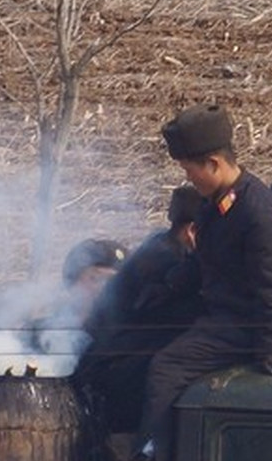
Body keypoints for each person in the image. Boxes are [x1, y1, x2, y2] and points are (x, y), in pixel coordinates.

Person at [94, 105, 272, 461]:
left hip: (246, 324)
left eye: (189, 169)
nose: (187, 178)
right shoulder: (220, 204)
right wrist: (165, 292)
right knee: (134, 351)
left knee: (166, 368)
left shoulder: (259, 215)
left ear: (212, 163)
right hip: (220, 313)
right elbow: (204, 264)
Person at [72, 185, 204, 445]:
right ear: (192, 231)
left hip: (114, 370)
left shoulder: (159, 247)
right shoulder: (166, 263)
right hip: (118, 379)